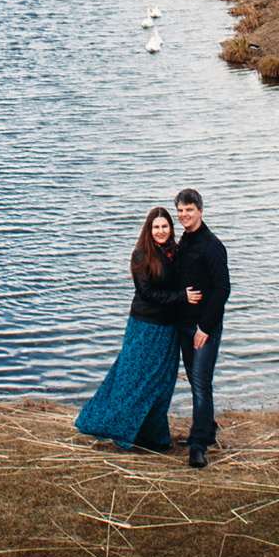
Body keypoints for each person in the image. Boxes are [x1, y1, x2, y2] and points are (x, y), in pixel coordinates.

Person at [72, 205, 187, 452]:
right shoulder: (141, 255)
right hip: (145, 327)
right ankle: (112, 426)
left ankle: (154, 437)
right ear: (148, 229)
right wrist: (181, 297)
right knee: (132, 379)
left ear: (171, 228)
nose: (160, 231)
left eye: (165, 226)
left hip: (170, 329)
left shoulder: (176, 253)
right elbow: (147, 293)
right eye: (156, 227)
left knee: (162, 383)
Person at [171, 187, 230, 468]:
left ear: (201, 211)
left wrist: (205, 327)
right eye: (180, 211)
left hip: (204, 328)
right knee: (196, 382)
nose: (184, 215)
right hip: (184, 325)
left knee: (201, 384)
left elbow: (222, 289)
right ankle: (207, 429)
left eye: (189, 210)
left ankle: (198, 446)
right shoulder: (184, 242)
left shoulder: (212, 245)